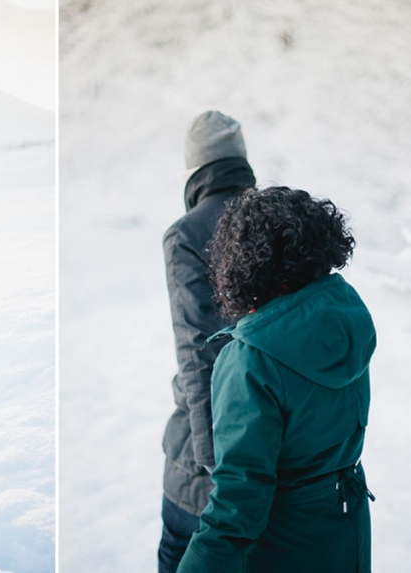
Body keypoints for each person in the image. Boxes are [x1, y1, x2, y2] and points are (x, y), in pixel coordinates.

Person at [177, 186, 377, 572]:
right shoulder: (345, 310)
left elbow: (239, 500)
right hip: (345, 527)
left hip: (284, 547)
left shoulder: (251, 357)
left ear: (243, 261)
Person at [159, 111, 256, 572]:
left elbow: (199, 346)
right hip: (271, 433)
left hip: (205, 453)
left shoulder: (188, 232)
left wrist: (210, 461)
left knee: (180, 554)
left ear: (194, 170)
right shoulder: (275, 215)